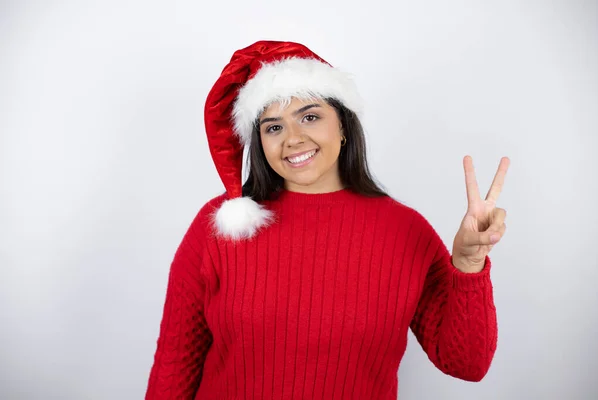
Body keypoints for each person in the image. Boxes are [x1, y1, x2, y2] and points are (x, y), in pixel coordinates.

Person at [145, 40, 510, 400]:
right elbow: (174, 367)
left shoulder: (405, 231)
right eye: (273, 127)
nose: (293, 138)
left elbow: (466, 364)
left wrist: (469, 265)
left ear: (344, 126)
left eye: (310, 116)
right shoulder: (220, 226)